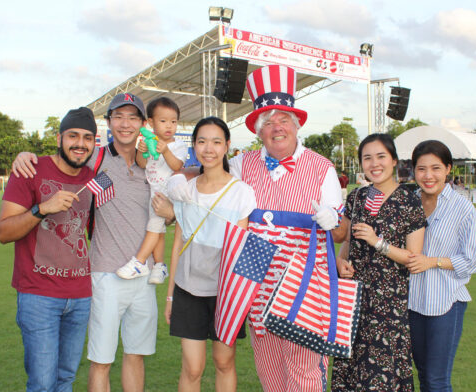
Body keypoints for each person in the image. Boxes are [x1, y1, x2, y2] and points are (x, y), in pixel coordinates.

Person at [170, 64, 343, 391]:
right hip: (258, 283)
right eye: (269, 122)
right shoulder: (242, 164)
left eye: (284, 120)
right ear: (258, 131)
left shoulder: (323, 168)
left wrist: (334, 221)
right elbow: (211, 169)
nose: (277, 128)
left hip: (305, 286)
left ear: (296, 125)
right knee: (270, 372)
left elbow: (340, 231)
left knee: (304, 373)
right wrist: (182, 177)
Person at [12, 93, 166, 392]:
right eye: (118, 116)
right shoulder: (96, 158)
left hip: (144, 275)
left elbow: (171, 202)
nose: (125, 123)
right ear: (108, 123)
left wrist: (170, 212)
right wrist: (23, 154)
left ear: (143, 124)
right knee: (101, 360)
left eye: (133, 117)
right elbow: (65, 157)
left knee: (135, 356)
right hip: (105, 273)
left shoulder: (152, 164)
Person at [0, 107, 97, 392]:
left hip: (80, 296)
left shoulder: (92, 178)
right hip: (39, 296)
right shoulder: (30, 170)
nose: (80, 143)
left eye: (87, 137)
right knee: (42, 383)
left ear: (94, 142)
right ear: (58, 138)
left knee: (65, 379)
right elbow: (3, 233)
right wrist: (42, 208)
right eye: (73, 136)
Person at [166, 117, 256, 392]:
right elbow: (179, 242)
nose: (209, 148)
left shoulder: (242, 193)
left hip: (226, 293)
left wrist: (240, 299)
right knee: (192, 368)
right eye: (202, 141)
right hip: (188, 289)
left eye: (216, 142)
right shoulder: (186, 191)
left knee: (224, 362)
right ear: (194, 146)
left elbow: (241, 248)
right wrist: (170, 295)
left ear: (227, 146)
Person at [331, 133, 426, 392]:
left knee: (381, 376)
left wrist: (378, 242)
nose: (375, 163)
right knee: (350, 374)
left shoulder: (409, 200)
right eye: (367, 158)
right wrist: (340, 263)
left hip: (388, 307)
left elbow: (412, 257)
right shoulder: (357, 197)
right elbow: (347, 242)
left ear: (394, 160)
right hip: (354, 301)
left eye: (381, 156)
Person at [406, 140, 476, 392]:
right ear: (413, 171)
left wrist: (433, 261)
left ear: (448, 169)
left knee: (438, 380)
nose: (428, 176)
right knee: (424, 377)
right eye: (421, 169)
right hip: (412, 301)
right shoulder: (408, 203)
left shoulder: (462, 208)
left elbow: (474, 260)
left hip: (446, 302)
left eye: (436, 168)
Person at [116, 97, 187, 283]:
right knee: (159, 231)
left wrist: (165, 151)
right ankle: (159, 266)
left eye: (173, 121)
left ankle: (139, 262)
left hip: (166, 194)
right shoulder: (150, 142)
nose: (169, 126)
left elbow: (177, 165)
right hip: (154, 191)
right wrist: (141, 150)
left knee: (153, 228)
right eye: (163, 121)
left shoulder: (178, 146)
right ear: (150, 123)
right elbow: (142, 164)